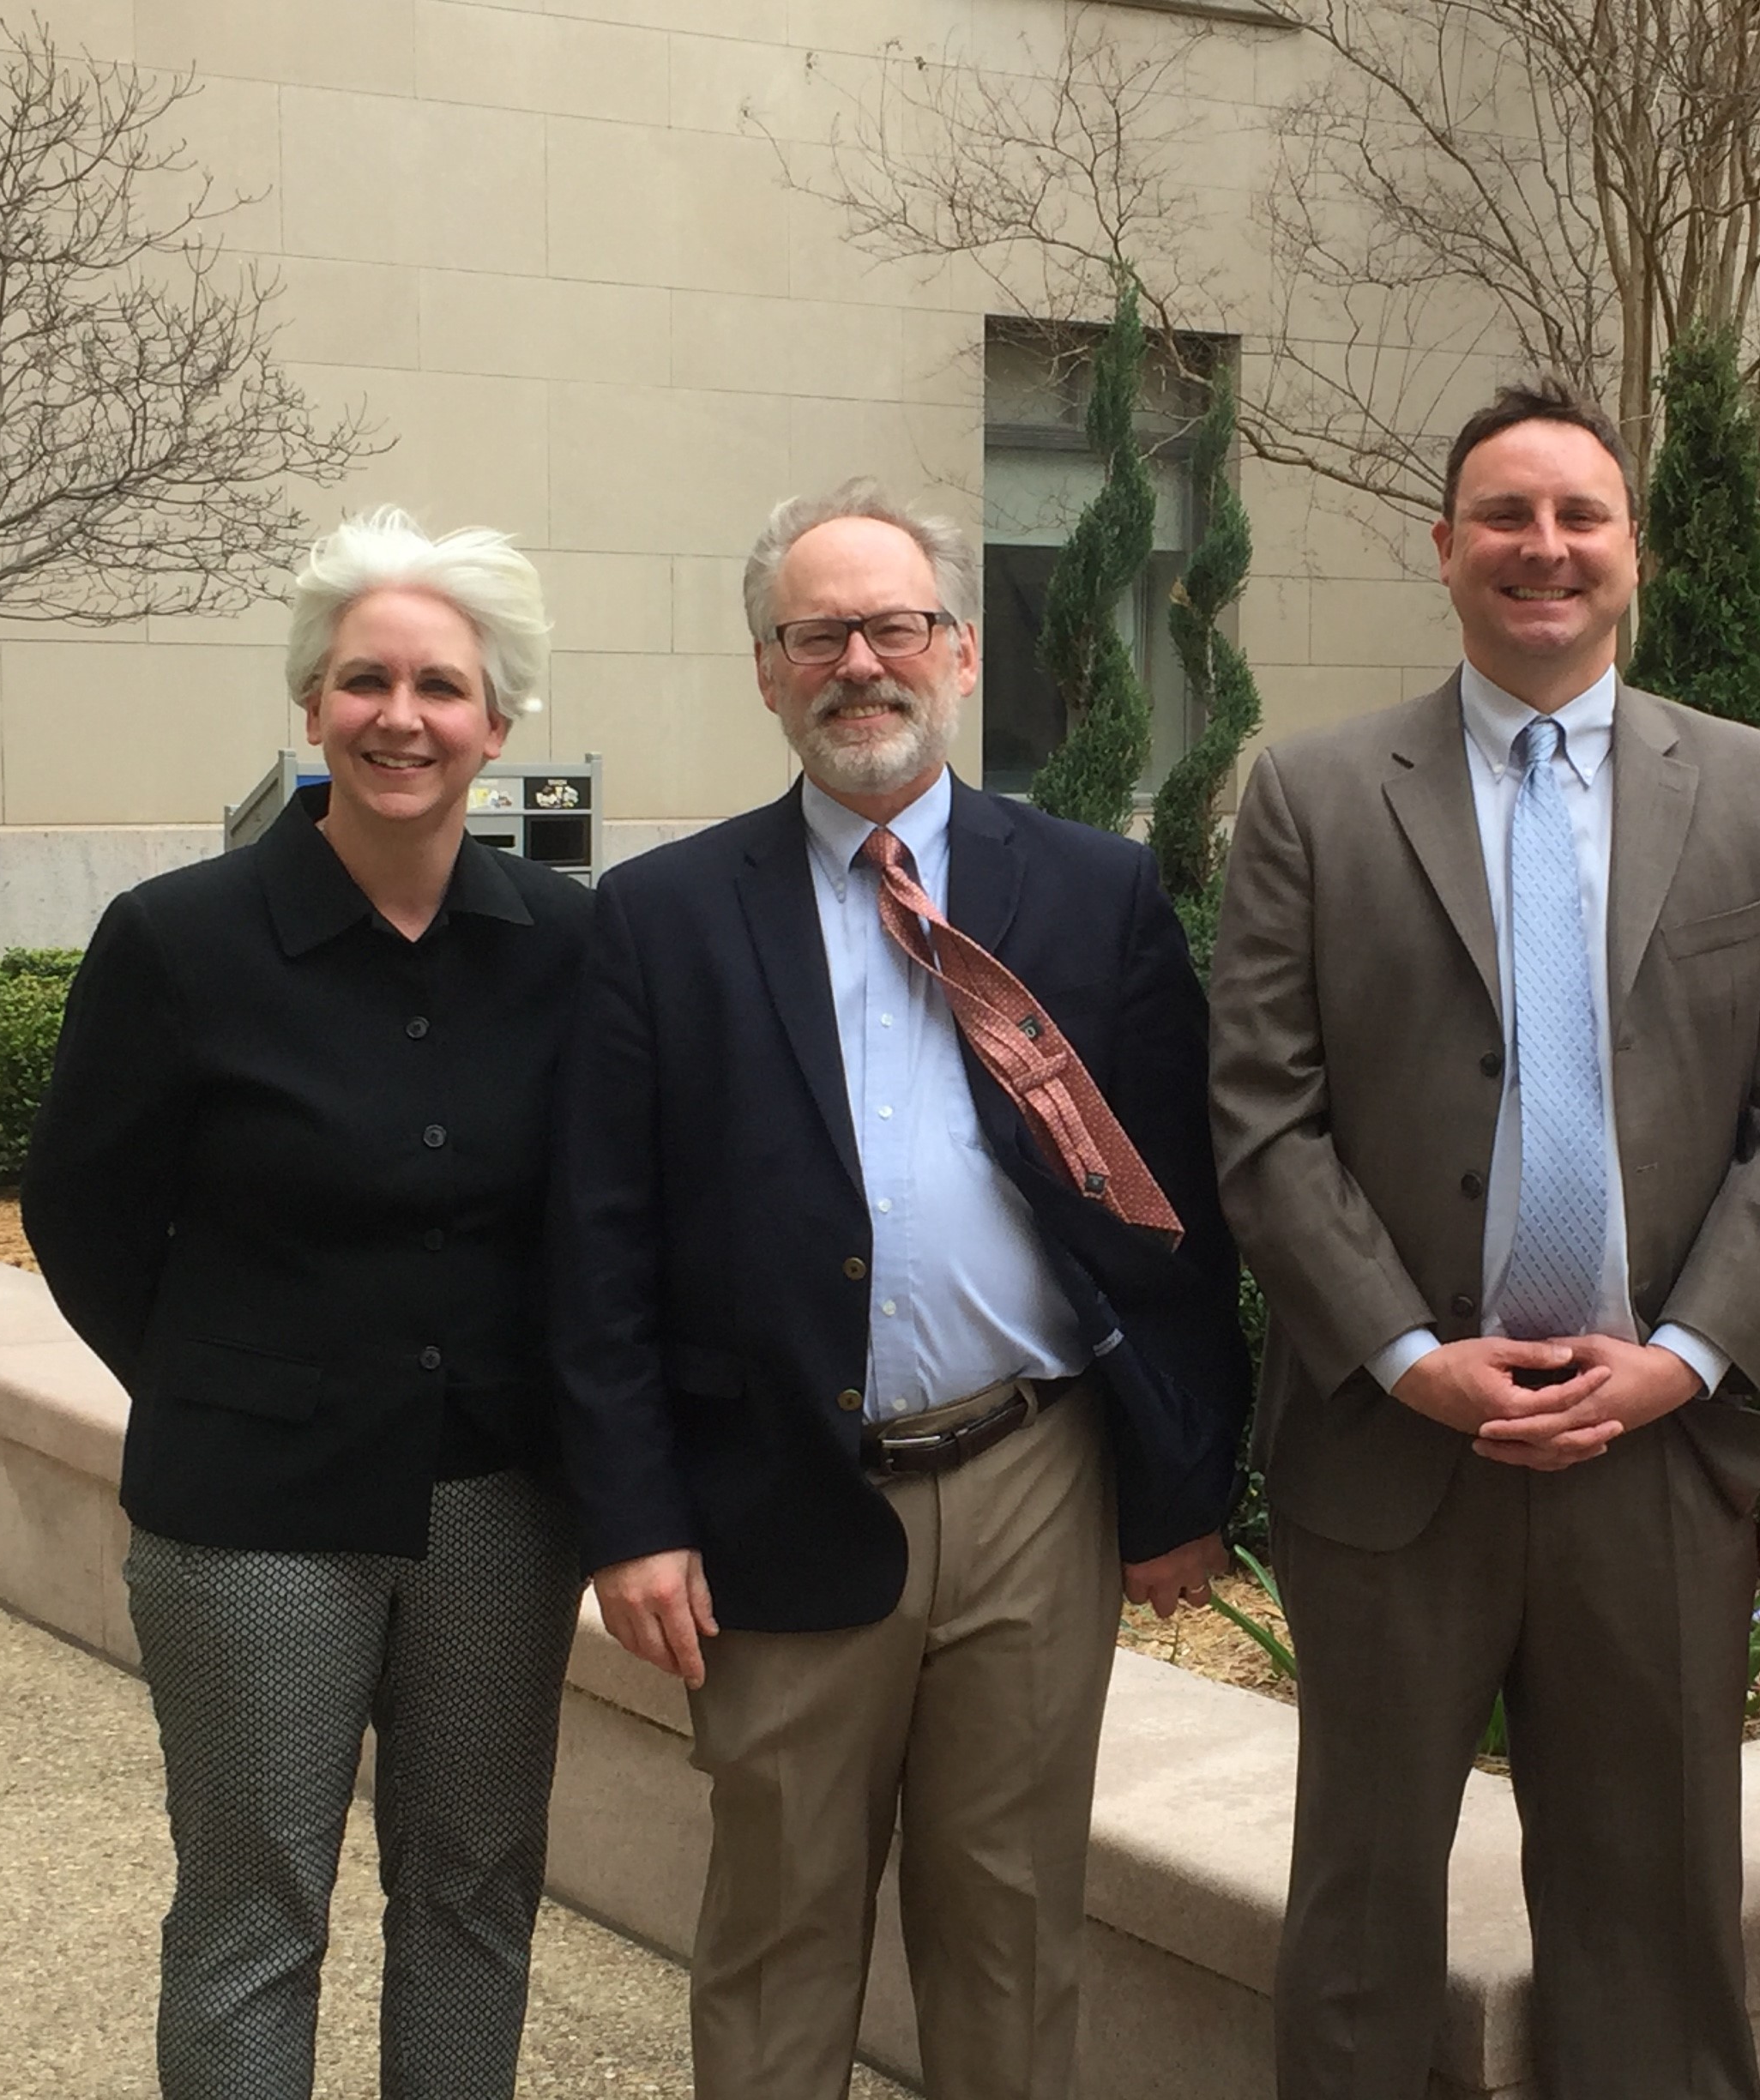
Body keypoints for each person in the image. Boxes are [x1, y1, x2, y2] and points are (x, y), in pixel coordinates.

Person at [549, 479, 1251, 2100]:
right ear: (766, 670)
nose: (859, 664)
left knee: (1012, 1932)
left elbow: (1178, 1218)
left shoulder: (1092, 891)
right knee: (778, 1935)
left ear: (963, 652)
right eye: (817, 636)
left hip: (1033, 1477)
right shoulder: (663, 917)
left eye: (894, 628)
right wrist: (633, 1517)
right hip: (777, 1486)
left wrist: (1180, 1486)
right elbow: (600, 1244)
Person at [1209, 377, 1760, 2100]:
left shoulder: (1756, 789)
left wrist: (1687, 1356)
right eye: (1506, 515)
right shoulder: (1314, 794)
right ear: (1446, 548)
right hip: (1393, 1452)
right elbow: (1264, 1122)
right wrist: (1408, 1356)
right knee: (1359, 1917)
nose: (1545, 547)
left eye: (1581, 515)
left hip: (1657, 1457)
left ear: (1632, 550)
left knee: (1658, 1917)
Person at [21, 510, 593, 2099]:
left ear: (497, 722)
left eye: (441, 686)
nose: (401, 717)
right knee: (253, 1915)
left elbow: (603, 1219)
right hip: (251, 1515)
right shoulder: (178, 940)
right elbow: (82, 1213)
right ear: (312, 702)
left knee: (476, 1891)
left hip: (500, 1502)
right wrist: (220, 1378)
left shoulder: (574, 945)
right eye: (364, 681)